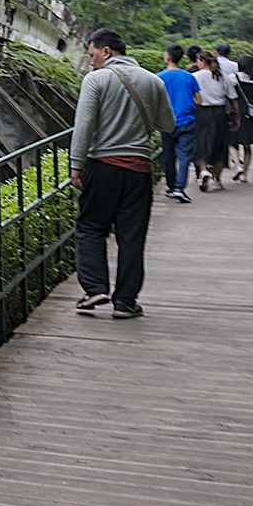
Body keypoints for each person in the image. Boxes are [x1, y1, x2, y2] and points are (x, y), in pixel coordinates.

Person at [69, 29, 174, 319]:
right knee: (132, 236)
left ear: (106, 52)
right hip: (139, 169)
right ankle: (126, 302)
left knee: (90, 227)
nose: (91, 62)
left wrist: (76, 164)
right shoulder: (154, 80)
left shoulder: (96, 79)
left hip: (102, 167)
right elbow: (167, 124)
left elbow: (84, 126)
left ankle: (94, 288)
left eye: (92, 55)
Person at [157, 44, 200, 204]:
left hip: (167, 122)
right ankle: (180, 188)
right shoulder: (188, 76)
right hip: (187, 120)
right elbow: (198, 99)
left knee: (168, 156)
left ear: (167, 57)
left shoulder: (159, 77)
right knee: (184, 156)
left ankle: (171, 186)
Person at [192, 48, 231, 191]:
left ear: (202, 61)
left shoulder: (195, 76)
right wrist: (236, 117)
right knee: (220, 145)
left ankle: (203, 171)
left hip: (202, 113)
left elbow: (193, 97)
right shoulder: (223, 77)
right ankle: (217, 179)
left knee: (201, 143)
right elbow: (233, 98)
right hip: (220, 113)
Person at [230, 53, 253, 181]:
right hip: (251, 115)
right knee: (247, 146)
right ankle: (245, 174)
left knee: (231, 142)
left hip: (237, 113)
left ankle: (237, 165)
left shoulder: (234, 78)